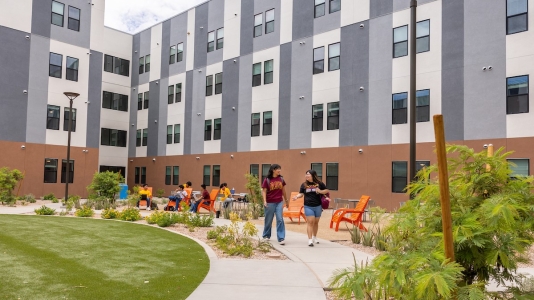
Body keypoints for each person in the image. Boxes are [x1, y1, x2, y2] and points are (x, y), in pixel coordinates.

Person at [292, 170, 329, 247]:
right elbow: (301, 193)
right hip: (308, 205)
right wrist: (296, 197)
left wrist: (320, 191)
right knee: (310, 222)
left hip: (318, 205)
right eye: (306, 174)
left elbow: (326, 190)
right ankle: (310, 240)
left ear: (312, 175)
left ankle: (314, 237)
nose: (306, 176)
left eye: (308, 174)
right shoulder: (304, 184)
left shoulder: (319, 183)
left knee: (316, 222)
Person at [262, 164, 288, 245]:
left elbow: (283, 190)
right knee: (268, 220)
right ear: (273, 170)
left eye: (280, 169)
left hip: (279, 202)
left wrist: (286, 200)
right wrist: (264, 201)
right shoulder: (267, 180)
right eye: (278, 169)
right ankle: (266, 235)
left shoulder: (281, 179)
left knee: (280, 219)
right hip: (270, 202)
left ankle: (281, 238)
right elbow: (264, 191)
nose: (279, 170)